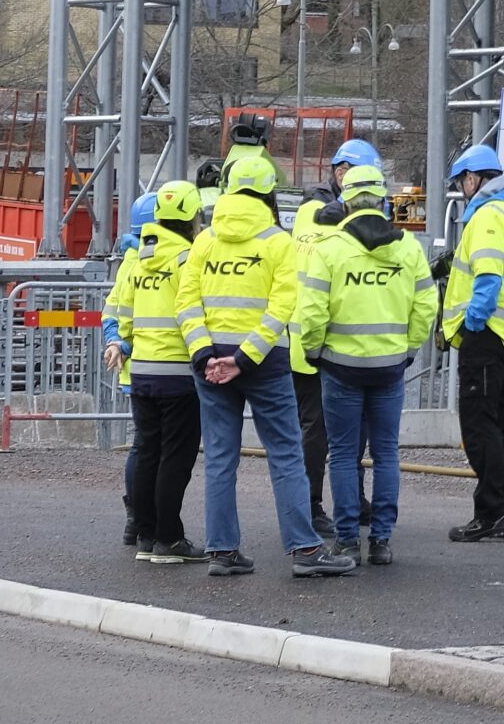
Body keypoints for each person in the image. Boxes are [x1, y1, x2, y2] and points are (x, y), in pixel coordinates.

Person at [178, 156, 355, 578]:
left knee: (220, 457)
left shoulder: (204, 241)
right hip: (263, 363)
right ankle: (306, 552)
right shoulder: (279, 242)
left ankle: (222, 552)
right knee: (286, 454)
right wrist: (243, 359)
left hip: (210, 364)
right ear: (268, 192)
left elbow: (185, 303)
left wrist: (206, 356)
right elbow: (281, 308)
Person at [302, 163, 435, 566]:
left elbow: (310, 313)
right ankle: (381, 541)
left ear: (345, 201)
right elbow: (427, 306)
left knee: (343, 455)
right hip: (390, 367)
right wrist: (407, 349)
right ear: (382, 199)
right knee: (387, 453)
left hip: (339, 367)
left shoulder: (330, 249)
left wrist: (313, 351)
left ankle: (346, 540)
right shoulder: (408, 247)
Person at [104, 181, 210, 563]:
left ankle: (147, 536)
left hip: (143, 372)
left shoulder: (140, 260)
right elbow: (196, 312)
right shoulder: (187, 259)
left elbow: (124, 316)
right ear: (191, 218)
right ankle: (169, 539)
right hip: (179, 372)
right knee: (175, 459)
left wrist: (121, 344)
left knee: (148, 452)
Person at [442, 145, 504, 542]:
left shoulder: (486, 218)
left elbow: (488, 279)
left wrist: (471, 323)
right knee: (502, 427)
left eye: (462, 182)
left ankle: (490, 513)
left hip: (487, 335)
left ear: (472, 179)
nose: (462, 191)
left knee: (479, 427)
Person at [288, 196, 342, 538]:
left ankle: (297, 503)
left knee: (298, 431)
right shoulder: (332, 244)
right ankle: (310, 505)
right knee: (316, 432)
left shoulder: (295, 237)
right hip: (318, 350)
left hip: (287, 349)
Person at [104, 191, 153, 548]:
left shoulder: (128, 263)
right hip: (158, 364)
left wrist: (118, 344)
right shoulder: (153, 262)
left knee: (142, 445)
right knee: (158, 448)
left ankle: (135, 519)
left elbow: (113, 314)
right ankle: (150, 521)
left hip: (133, 369)